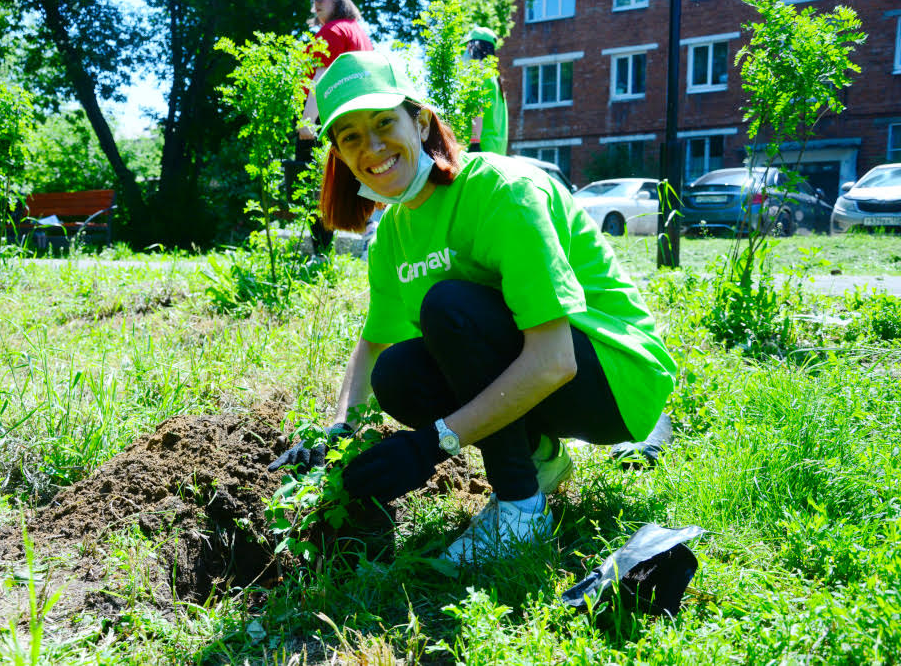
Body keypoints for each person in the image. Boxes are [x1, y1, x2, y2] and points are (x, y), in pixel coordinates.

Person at [270, 51, 676, 565]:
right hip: (551, 378)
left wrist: (434, 443)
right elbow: (374, 344)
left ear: (419, 122)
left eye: (383, 123)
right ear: (340, 156)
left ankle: (520, 510)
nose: (371, 147)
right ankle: (538, 459)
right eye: (350, 136)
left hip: (614, 378)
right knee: (398, 373)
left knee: (450, 307)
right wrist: (335, 431)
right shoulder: (394, 234)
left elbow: (554, 359)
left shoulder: (501, 191)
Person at [296, 0, 373, 251]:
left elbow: (321, 76)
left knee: (315, 184)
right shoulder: (358, 33)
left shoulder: (332, 31)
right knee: (358, 178)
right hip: (356, 117)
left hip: (327, 118)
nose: (316, 2)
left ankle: (320, 253)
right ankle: (370, 238)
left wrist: (307, 122)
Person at [463, 26, 508, 155]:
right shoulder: (495, 77)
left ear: (475, 47)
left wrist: (474, 143)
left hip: (479, 149)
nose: (466, 51)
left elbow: (478, 109)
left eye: (468, 46)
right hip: (497, 149)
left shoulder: (478, 73)